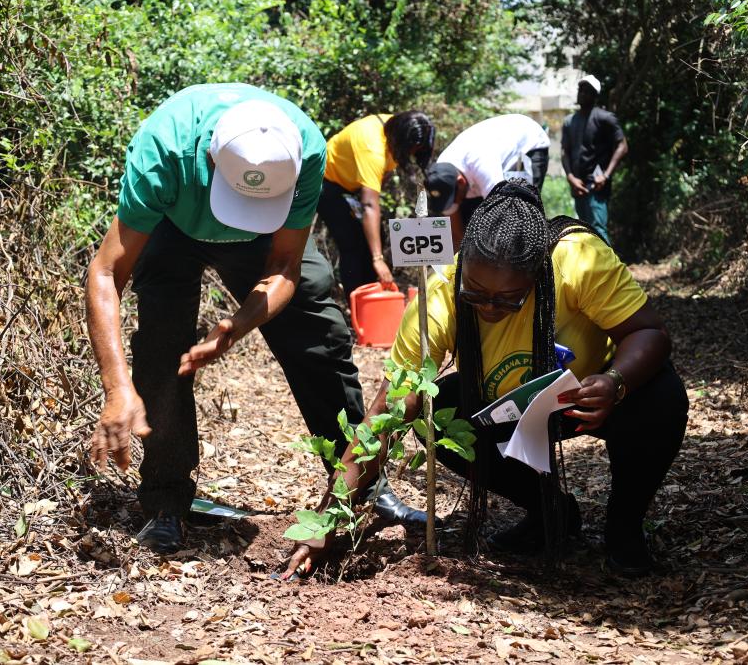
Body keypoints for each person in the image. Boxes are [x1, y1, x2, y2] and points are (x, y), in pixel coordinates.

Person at [283, 179, 687, 579]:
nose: (490, 307)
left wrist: (615, 382)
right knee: (437, 408)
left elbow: (649, 333)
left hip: (588, 401)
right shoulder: (439, 298)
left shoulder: (579, 259)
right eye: (476, 294)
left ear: (537, 274)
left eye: (509, 298)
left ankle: (625, 527)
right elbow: (385, 416)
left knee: (662, 397)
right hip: (507, 408)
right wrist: (324, 522)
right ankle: (552, 512)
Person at [85, 83, 423, 555]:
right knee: (162, 348)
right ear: (208, 159)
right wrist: (118, 389)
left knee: (320, 332)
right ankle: (166, 502)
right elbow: (106, 272)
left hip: (268, 237)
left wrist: (238, 325)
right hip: (173, 225)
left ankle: (363, 486)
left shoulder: (304, 152)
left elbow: (285, 267)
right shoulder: (166, 151)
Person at [316, 111, 435, 298]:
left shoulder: (399, 127)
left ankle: (374, 299)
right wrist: (378, 259)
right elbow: (369, 205)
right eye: (410, 150)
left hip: (352, 187)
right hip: (326, 182)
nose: (411, 154)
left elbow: (381, 178)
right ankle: (359, 305)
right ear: (400, 140)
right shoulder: (371, 146)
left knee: (375, 235)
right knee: (352, 243)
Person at [424, 113, 551, 250]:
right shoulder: (442, 176)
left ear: (460, 182)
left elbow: (504, 213)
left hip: (528, 142)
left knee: (522, 209)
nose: (453, 204)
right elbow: (456, 231)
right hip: (484, 167)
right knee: (470, 223)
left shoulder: (482, 166)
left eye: (454, 200)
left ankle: (536, 254)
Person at [561, 75, 628, 245]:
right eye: (580, 90)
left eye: (586, 91)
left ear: (594, 95)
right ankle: (593, 271)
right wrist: (571, 178)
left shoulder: (605, 118)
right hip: (578, 186)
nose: (581, 94)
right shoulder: (570, 122)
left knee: (598, 231)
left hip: (597, 186)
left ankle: (610, 271)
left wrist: (605, 176)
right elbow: (564, 152)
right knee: (584, 232)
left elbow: (622, 146)